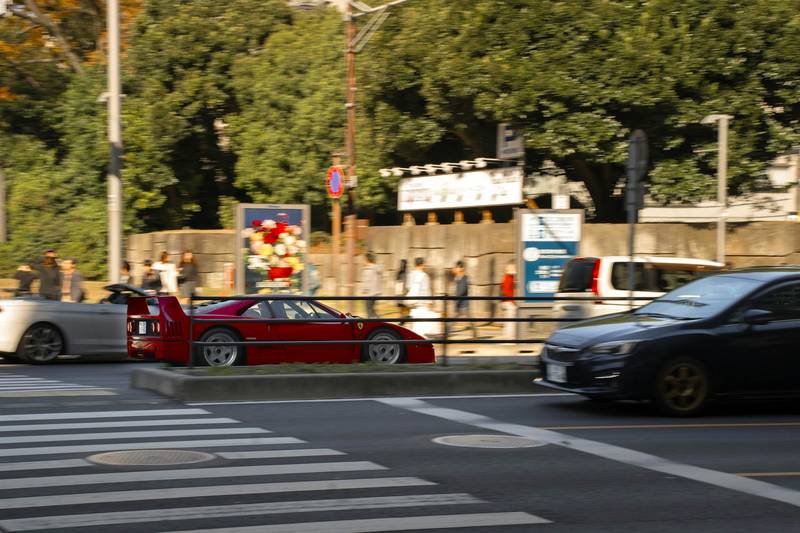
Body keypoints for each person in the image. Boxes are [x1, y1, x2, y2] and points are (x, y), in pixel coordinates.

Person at [406, 257, 439, 337]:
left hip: (413, 300)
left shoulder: (410, 274)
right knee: (423, 320)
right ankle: (421, 337)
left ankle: (415, 336)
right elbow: (426, 289)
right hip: (422, 301)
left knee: (416, 320)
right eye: (424, 264)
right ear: (422, 265)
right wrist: (429, 301)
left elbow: (408, 287)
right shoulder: (424, 276)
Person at [453, 260, 478, 338]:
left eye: (457, 267)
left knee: (470, 319)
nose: (456, 269)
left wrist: (457, 299)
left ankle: (475, 336)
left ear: (462, 268)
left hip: (464, 304)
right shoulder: (457, 278)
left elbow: (463, 290)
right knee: (452, 320)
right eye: (456, 267)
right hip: (459, 303)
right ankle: (446, 333)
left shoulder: (466, 278)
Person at [361, 253, 383, 318]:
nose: (363, 261)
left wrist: (364, 290)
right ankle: (378, 319)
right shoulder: (377, 268)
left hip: (369, 293)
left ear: (367, 260)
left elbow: (367, 282)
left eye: (363, 260)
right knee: (372, 310)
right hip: (376, 293)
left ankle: (375, 321)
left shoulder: (368, 269)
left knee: (369, 311)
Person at [501, 261, 517, 343]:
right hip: (510, 302)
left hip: (506, 302)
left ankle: (507, 337)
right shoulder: (509, 276)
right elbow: (507, 291)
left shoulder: (505, 277)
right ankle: (510, 338)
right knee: (511, 321)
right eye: (513, 267)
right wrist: (513, 301)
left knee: (507, 321)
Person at [395, 259, 409, 325]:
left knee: (403, 307)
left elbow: (398, 281)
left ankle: (402, 320)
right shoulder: (401, 272)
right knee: (402, 307)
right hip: (401, 291)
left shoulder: (402, 272)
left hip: (401, 291)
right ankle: (402, 320)